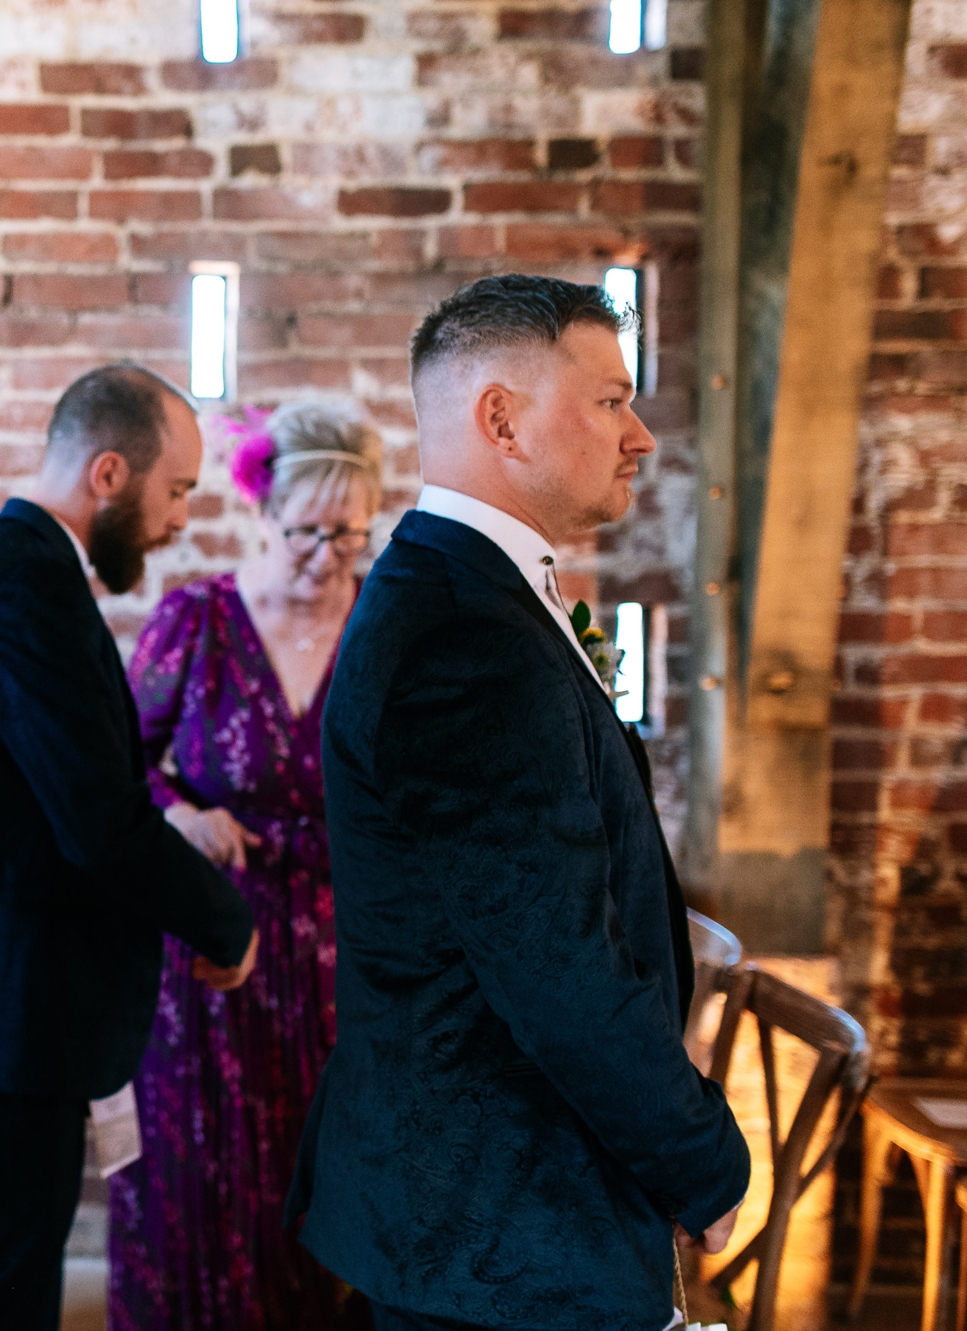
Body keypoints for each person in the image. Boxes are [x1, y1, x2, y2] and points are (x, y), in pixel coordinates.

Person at [287, 274, 750, 1331]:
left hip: (486, 1205)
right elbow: (556, 966)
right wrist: (701, 1159)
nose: (636, 435)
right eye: (607, 400)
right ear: (500, 418)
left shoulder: (465, 595)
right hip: (498, 1219)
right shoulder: (463, 635)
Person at [0, 364, 261, 1331]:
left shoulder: (17, 577)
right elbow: (99, 821)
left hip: (3, 1012)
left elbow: (58, 806)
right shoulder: (22, 590)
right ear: (110, 473)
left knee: (6, 1293)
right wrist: (223, 919)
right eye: (175, 493)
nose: (177, 523)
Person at [108, 396, 382, 1331]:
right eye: (310, 532)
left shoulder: (382, 626)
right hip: (214, 956)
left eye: (351, 536)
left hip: (350, 962)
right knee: (202, 1181)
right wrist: (184, 812)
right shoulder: (198, 620)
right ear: (264, 513)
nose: (329, 557)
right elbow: (117, 770)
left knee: (324, 1192)